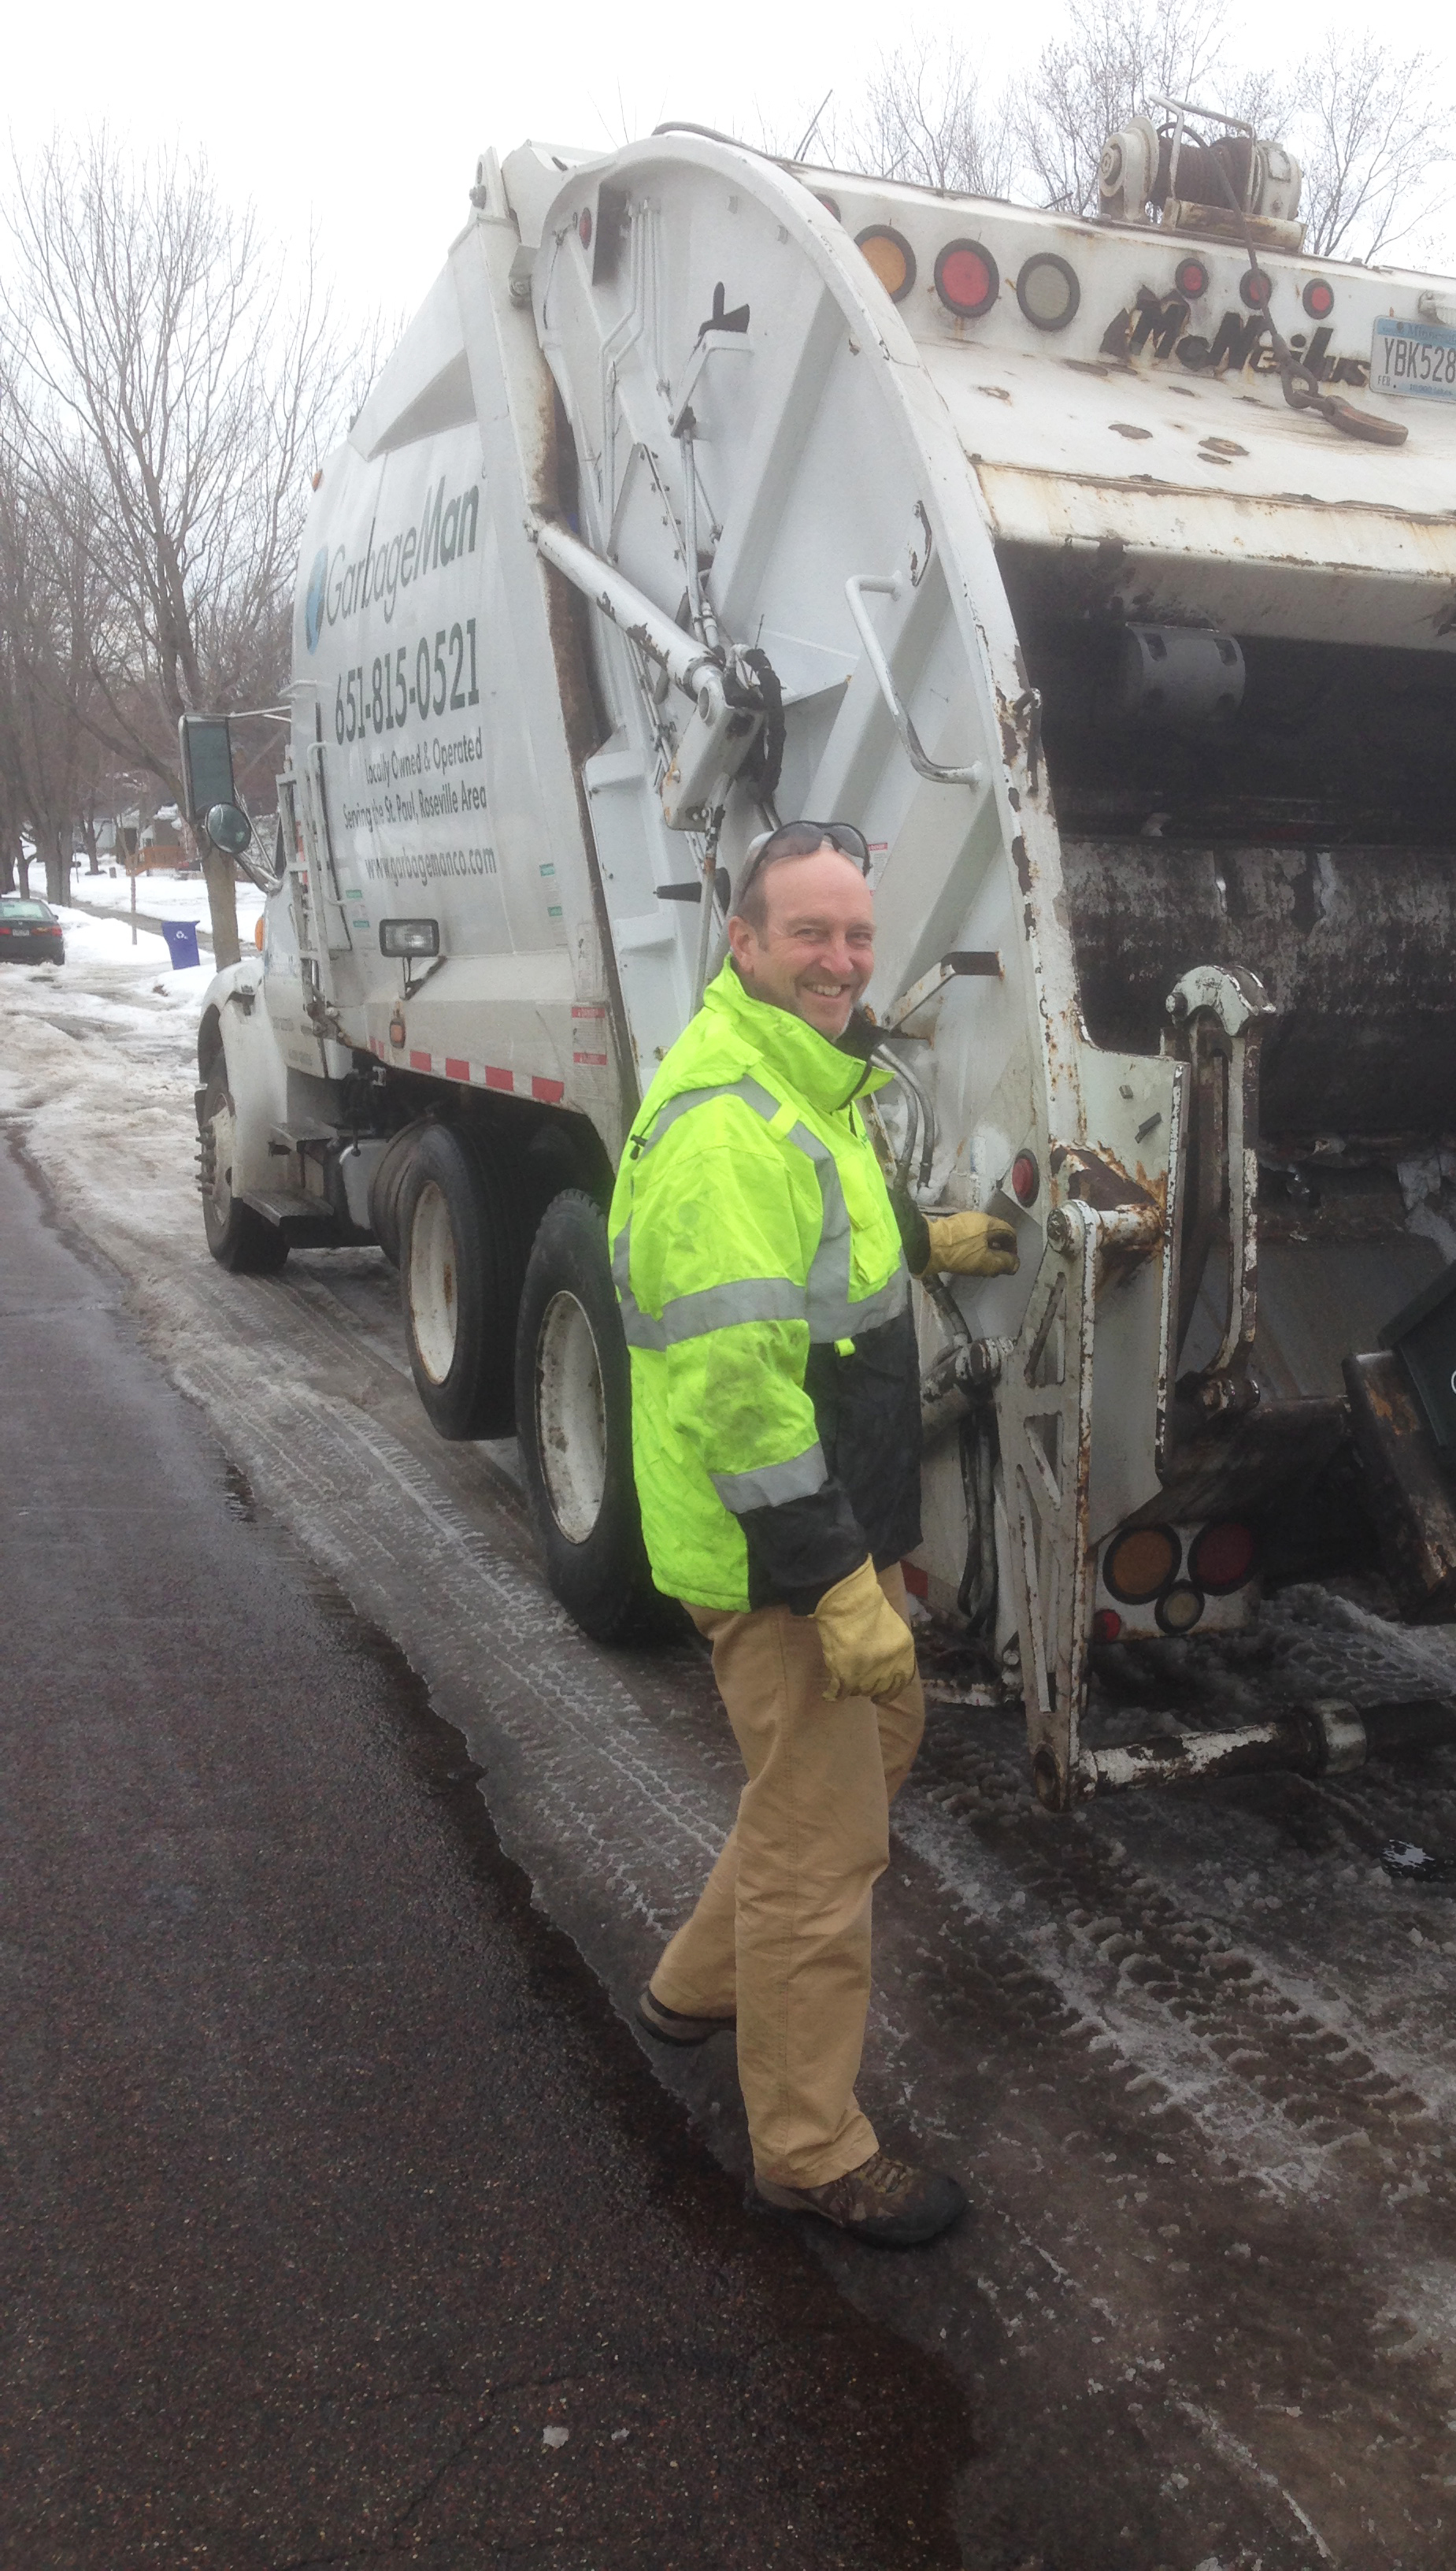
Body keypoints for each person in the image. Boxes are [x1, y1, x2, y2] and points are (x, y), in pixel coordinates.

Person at [607, 820, 1019, 2247]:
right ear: (746, 943)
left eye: (855, 935)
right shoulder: (722, 1126)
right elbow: (740, 1399)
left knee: (851, 1766)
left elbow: (830, 1231)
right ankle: (808, 2146)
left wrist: (940, 1238)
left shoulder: (801, 1082)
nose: (841, 960)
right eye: (810, 935)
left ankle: (691, 1987)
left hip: (822, 1535)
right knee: (823, 1844)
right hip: (778, 1557)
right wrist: (840, 1583)